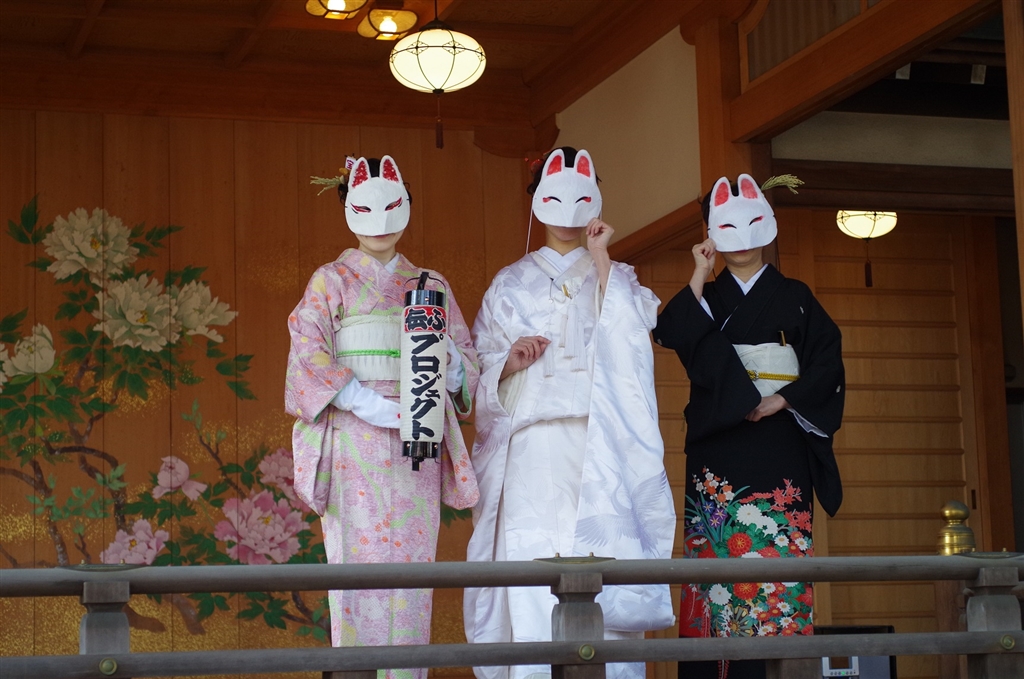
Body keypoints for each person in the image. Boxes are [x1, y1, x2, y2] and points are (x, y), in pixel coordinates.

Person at [464, 147, 676, 679]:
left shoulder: (616, 274)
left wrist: (601, 256)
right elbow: (478, 367)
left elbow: (635, 336)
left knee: (605, 577)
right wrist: (507, 364)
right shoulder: (508, 283)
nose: (566, 211)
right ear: (537, 200)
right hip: (530, 453)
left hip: (598, 445)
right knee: (533, 581)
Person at [286, 155, 479, 678]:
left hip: (418, 427)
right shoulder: (330, 280)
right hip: (355, 434)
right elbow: (307, 352)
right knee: (356, 566)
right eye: (366, 208)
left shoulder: (431, 284)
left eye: (392, 207)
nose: (380, 222)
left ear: (407, 206)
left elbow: (466, 364)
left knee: (412, 573)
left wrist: (449, 362)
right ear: (348, 208)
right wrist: (360, 400)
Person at [652, 174, 845, 679]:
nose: (741, 238)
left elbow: (827, 363)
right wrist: (700, 271)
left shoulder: (796, 295)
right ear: (710, 231)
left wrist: (783, 398)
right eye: (726, 227)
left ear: (768, 224)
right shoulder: (709, 295)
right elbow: (669, 331)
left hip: (779, 445)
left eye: (752, 222)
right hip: (719, 449)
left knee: (776, 566)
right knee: (715, 566)